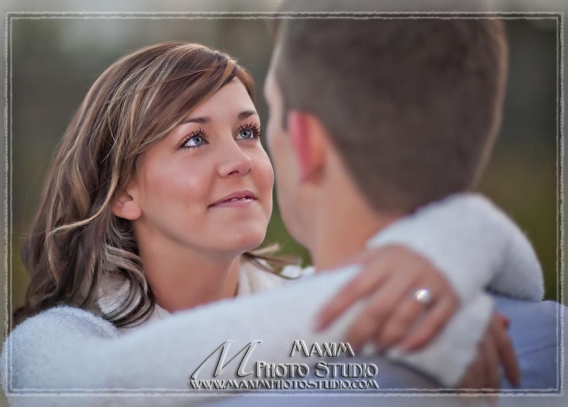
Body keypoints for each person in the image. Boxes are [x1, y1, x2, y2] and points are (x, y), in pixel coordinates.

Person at [0, 34, 550, 407]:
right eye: (194, 140)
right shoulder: (54, 340)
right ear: (123, 191)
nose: (239, 159)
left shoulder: (312, 297)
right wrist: (369, 318)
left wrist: (454, 237)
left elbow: (525, 289)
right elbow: (97, 384)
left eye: (248, 131)